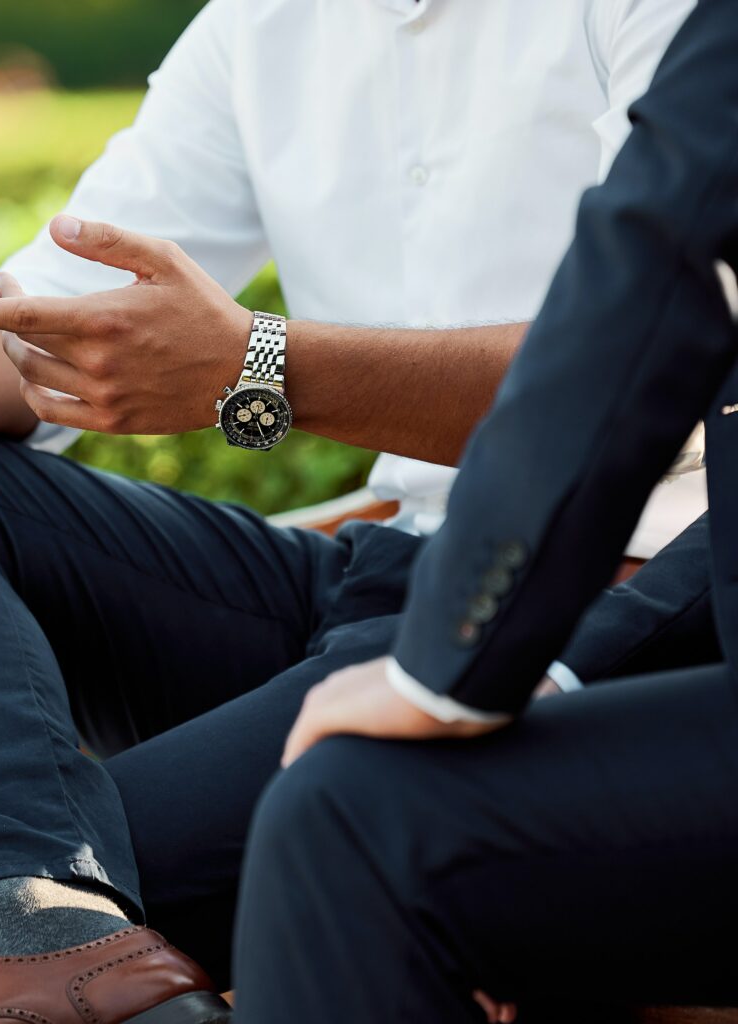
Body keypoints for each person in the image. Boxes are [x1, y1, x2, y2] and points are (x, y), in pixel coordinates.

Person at [0, 0, 704, 1020]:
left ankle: (42, 923)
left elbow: (644, 365)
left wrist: (258, 367)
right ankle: (44, 911)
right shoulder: (262, 23)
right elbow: (45, 329)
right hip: (378, 577)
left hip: (603, 599)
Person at [231, 0, 738, 1019]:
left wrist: (447, 668)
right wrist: (543, 664)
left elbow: (655, 269)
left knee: (348, 823)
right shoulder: (250, 31)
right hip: (399, 584)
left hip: (511, 609)